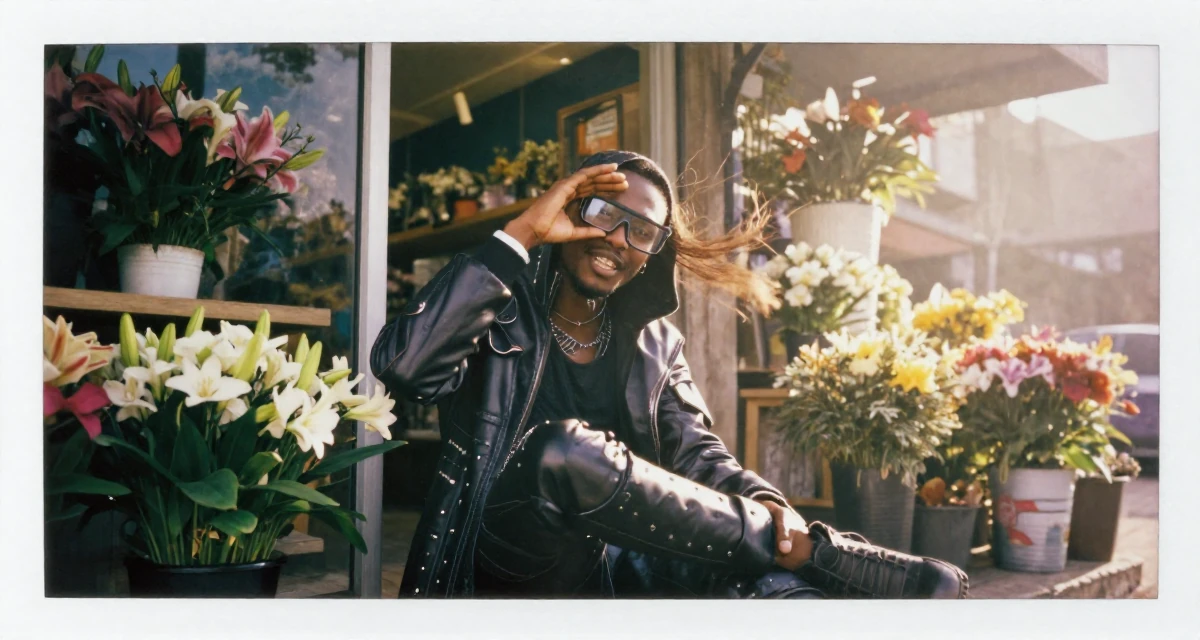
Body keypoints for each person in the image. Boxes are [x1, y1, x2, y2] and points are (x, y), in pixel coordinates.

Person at [371, 150, 968, 599]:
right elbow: (404, 368)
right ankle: (823, 553)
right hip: (506, 559)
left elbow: (698, 455)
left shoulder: (655, 344)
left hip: (617, 568)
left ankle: (806, 564)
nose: (617, 239)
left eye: (643, 231)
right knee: (564, 453)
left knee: (773, 594)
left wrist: (764, 500)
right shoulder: (493, 305)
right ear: (568, 211)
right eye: (603, 213)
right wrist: (520, 234)